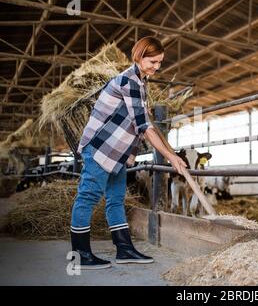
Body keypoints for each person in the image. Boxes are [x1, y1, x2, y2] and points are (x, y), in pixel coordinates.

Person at [70, 36, 187, 269]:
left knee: (115, 200)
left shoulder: (142, 83)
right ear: (138, 56)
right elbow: (144, 127)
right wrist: (171, 157)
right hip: (100, 149)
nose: (157, 67)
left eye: (160, 62)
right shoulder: (128, 81)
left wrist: (155, 151)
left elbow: (138, 121)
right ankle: (81, 255)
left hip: (117, 153)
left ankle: (124, 249)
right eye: (153, 61)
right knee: (88, 197)